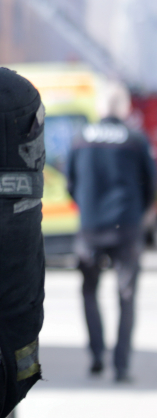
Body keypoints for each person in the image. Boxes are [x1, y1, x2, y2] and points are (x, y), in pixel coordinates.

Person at [67, 87, 156, 383]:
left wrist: (88, 210)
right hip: (127, 228)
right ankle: (121, 366)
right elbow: (151, 184)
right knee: (126, 295)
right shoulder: (135, 139)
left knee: (89, 291)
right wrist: (138, 216)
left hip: (90, 229)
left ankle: (95, 355)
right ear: (124, 108)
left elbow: (71, 182)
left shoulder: (80, 138)